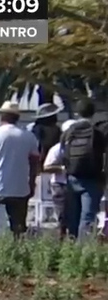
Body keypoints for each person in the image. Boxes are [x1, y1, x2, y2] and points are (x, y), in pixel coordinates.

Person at [0, 101, 40, 237]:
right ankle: (18, 253)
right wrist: (31, 184)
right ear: (17, 118)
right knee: (18, 229)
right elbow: (34, 164)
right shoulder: (29, 136)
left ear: (1, 116)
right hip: (20, 190)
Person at [59, 100, 107, 239]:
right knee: (88, 216)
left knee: (73, 216)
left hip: (72, 177)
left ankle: (71, 246)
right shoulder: (97, 132)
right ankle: (84, 251)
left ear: (77, 113)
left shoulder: (69, 132)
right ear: (94, 113)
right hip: (92, 178)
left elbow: (63, 154)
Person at [42, 119, 78, 238]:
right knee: (63, 217)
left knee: (75, 216)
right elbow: (47, 167)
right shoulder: (57, 149)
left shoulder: (80, 147)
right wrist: (63, 168)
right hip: (60, 185)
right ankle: (61, 242)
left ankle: (74, 242)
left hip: (76, 185)